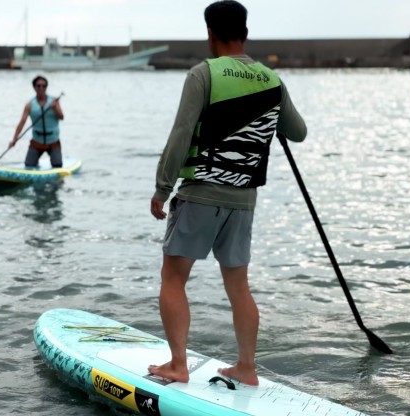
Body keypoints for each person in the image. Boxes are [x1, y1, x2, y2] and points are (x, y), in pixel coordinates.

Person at [148, 0, 307, 386]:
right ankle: (247, 368)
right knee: (238, 286)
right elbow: (297, 131)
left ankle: (178, 364)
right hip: (244, 201)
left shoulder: (203, 74)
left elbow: (181, 134)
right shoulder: (272, 80)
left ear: (210, 34)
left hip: (201, 193)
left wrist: (162, 188)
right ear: (246, 34)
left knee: (173, 278)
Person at [9, 75, 64, 167]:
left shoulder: (54, 101)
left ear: (46, 87)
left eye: (44, 86)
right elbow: (22, 122)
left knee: (57, 165)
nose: (41, 88)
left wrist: (55, 108)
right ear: (34, 87)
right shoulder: (29, 105)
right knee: (29, 165)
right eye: (38, 86)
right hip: (37, 142)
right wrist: (14, 139)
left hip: (53, 141)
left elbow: (61, 117)